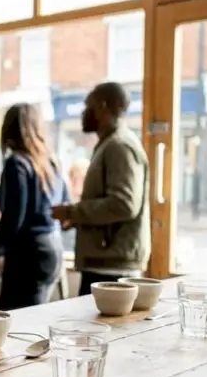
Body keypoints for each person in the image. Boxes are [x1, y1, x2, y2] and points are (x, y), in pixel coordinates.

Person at [52, 82, 150, 295]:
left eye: (88, 106)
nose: (83, 113)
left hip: (111, 268)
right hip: (105, 262)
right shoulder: (109, 143)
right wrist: (77, 219)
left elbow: (124, 204)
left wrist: (72, 212)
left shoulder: (119, 146)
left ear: (102, 106)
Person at [0, 104, 69, 309]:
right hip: (52, 249)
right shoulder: (50, 161)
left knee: (15, 320)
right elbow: (64, 205)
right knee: (33, 317)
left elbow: (12, 222)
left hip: (28, 256)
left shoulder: (17, 164)